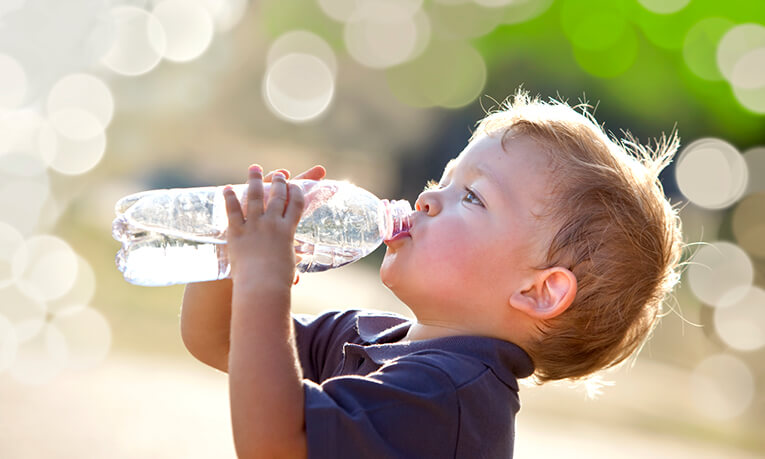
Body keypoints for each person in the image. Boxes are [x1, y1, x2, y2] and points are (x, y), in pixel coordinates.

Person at [180, 90, 684, 458]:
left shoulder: (450, 395)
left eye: (471, 196)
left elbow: (273, 444)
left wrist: (263, 282)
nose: (425, 199)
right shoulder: (370, 336)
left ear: (538, 290)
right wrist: (230, 252)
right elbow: (219, 338)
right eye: (441, 180)